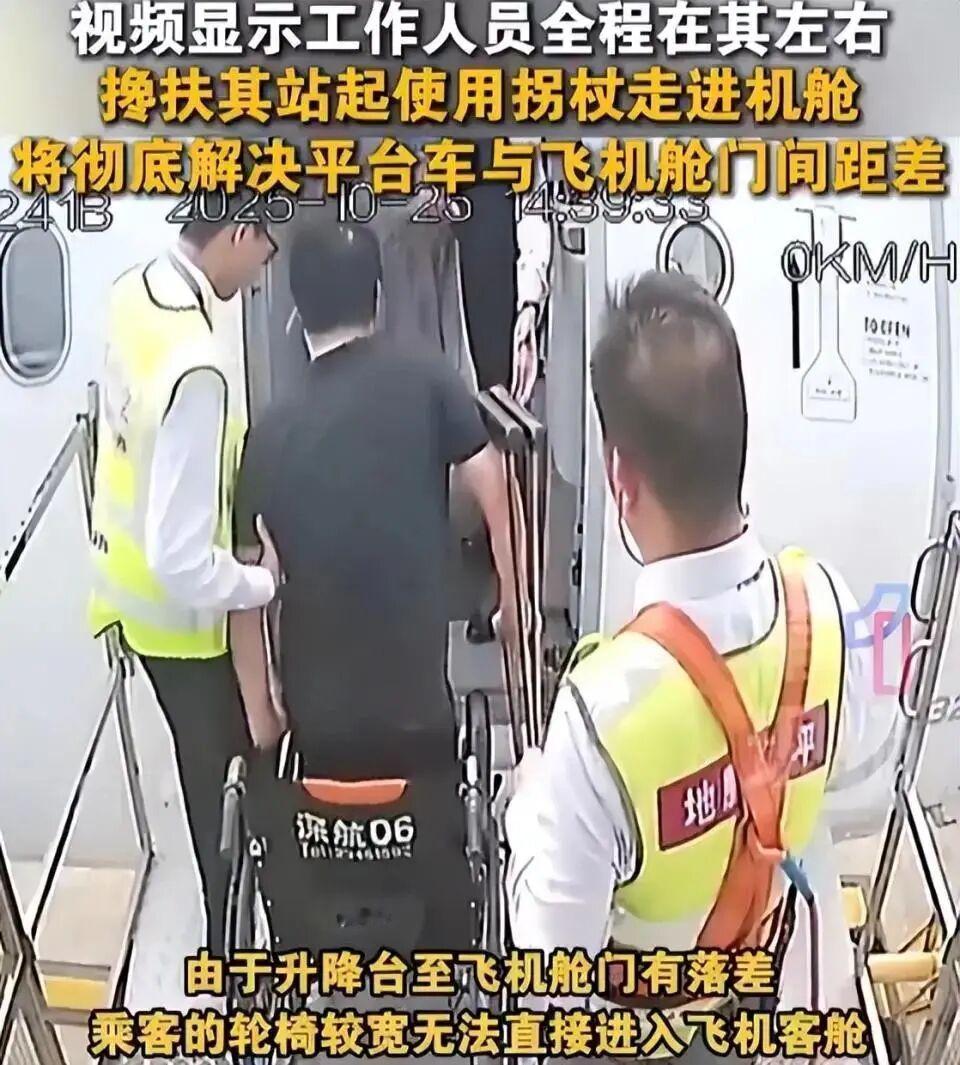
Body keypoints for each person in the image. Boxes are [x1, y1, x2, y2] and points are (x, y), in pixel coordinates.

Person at [503, 271, 902, 1058]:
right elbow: (851, 749)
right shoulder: (826, 607)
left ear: (620, 475)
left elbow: (551, 979)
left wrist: (528, 808)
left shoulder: (598, 718)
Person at [229, 220, 516, 854]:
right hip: (419, 718)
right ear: (379, 299)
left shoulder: (267, 435)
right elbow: (491, 480)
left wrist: (263, 715)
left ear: (295, 312)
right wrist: (512, 598)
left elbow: (243, 595)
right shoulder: (431, 382)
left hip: (319, 729)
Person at [88, 217, 279, 956]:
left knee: (206, 784)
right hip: (181, 624)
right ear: (239, 231)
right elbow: (182, 559)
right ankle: (232, 961)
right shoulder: (198, 369)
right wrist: (261, 582)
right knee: (223, 794)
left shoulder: (134, 292)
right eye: (266, 248)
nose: (263, 271)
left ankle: (230, 945)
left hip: (130, 601)